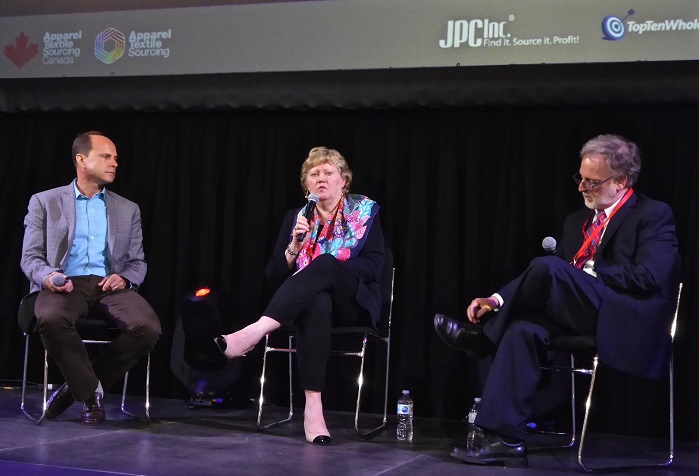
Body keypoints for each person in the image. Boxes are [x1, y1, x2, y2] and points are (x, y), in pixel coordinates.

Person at [434, 134, 679, 468]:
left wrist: (591, 273)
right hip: (579, 312)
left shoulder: (653, 214)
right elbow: (551, 282)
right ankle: (507, 438)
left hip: (624, 315)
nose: (581, 188)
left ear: (621, 182)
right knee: (522, 329)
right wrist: (498, 298)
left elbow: (650, 276)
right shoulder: (576, 221)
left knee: (549, 266)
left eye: (592, 182)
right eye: (580, 178)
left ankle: (481, 338)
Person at [215, 146, 384, 445]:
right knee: (315, 302)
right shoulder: (297, 218)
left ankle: (254, 331)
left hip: (352, 303)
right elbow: (274, 276)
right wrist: (295, 243)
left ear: (344, 180)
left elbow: (374, 265)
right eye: (314, 174)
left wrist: (330, 271)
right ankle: (313, 410)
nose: (321, 179)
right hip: (304, 306)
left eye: (328, 173)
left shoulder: (364, 211)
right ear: (306, 184)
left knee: (326, 262)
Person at [20, 131, 161, 425]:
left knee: (147, 327)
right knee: (50, 319)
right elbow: (30, 257)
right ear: (81, 160)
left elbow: (137, 261)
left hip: (109, 286)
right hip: (64, 285)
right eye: (106, 157)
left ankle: (76, 388)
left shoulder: (127, 208)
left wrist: (124, 278)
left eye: (116, 158)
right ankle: (90, 394)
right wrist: (48, 277)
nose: (114, 164)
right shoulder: (44, 202)